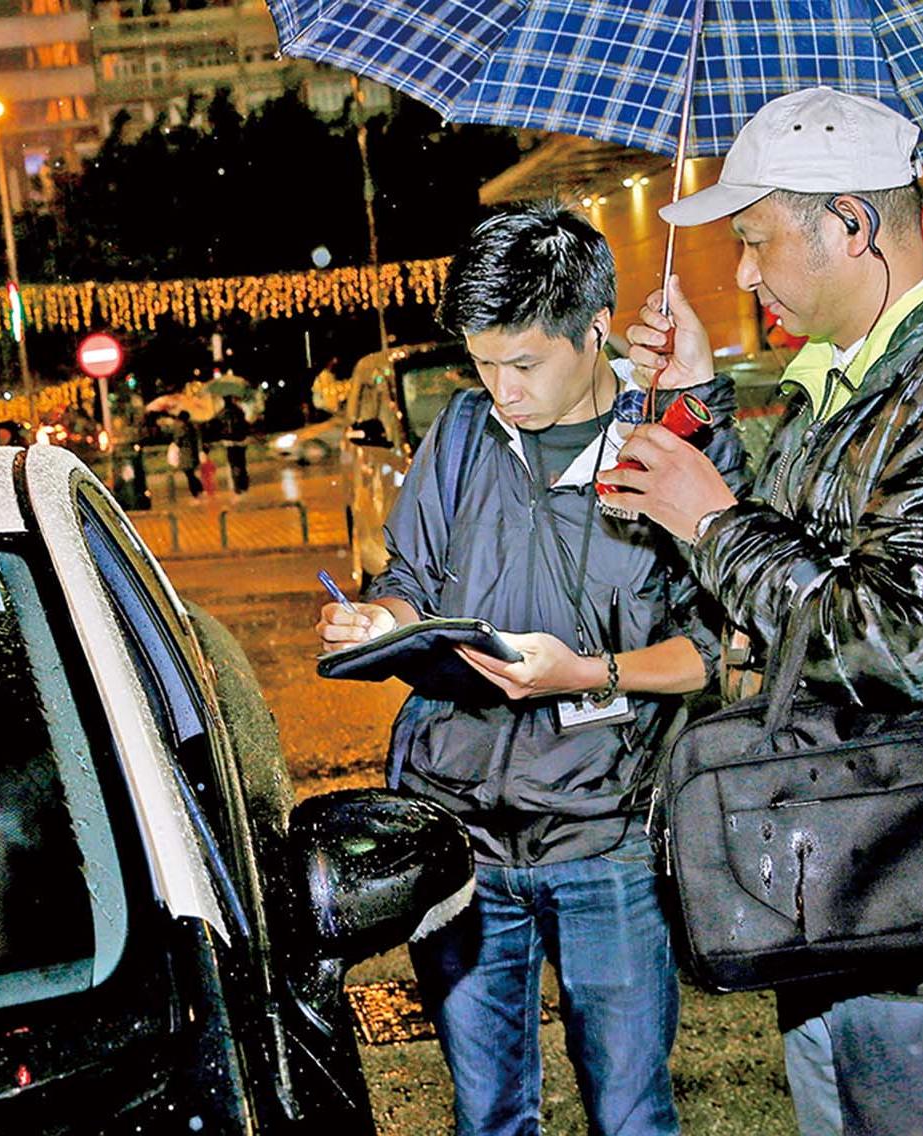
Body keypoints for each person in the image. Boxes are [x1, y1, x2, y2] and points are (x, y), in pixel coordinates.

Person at [610, 86, 923, 1136]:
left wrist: (714, 522)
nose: (739, 272)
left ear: (851, 226)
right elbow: (773, 587)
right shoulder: (853, 378)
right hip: (852, 872)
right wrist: (701, 411)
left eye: (755, 240)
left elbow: (896, 638)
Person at [318, 201, 746, 1136]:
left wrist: (591, 675)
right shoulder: (465, 434)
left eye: (524, 364)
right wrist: (377, 620)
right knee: (488, 1116)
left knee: (631, 1110)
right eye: (483, 364)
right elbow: (411, 578)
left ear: (596, 335)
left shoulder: (674, 446)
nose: (500, 390)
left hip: (607, 836)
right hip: (459, 836)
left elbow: (719, 651)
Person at [219, 395, 251, 495]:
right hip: (241, 441)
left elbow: (220, 428)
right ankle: (244, 484)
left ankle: (237, 486)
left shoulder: (222, 413)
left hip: (229, 443)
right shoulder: (239, 410)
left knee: (233, 465)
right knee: (242, 464)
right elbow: (245, 424)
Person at [175, 410, 203, 499]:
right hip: (193, 452)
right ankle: (199, 489)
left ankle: (196, 491)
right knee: (191, 473)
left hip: (185, 453)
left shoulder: (182, 428)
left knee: (189, 474)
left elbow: (178, 441)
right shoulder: (192, 427)